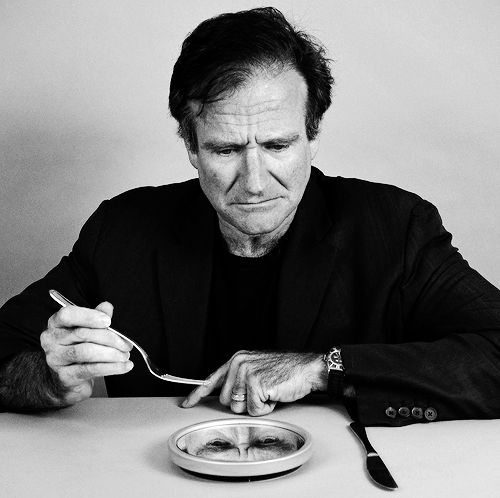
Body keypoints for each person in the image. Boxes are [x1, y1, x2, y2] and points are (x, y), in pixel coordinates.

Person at [1, 7, 500, 426]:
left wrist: (324, 368)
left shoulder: (395, 227)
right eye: (225, 149)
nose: (255, 182)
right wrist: (50, 379)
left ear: (313, 136)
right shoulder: (122, 230)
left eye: (278, 145)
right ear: (191, 148)